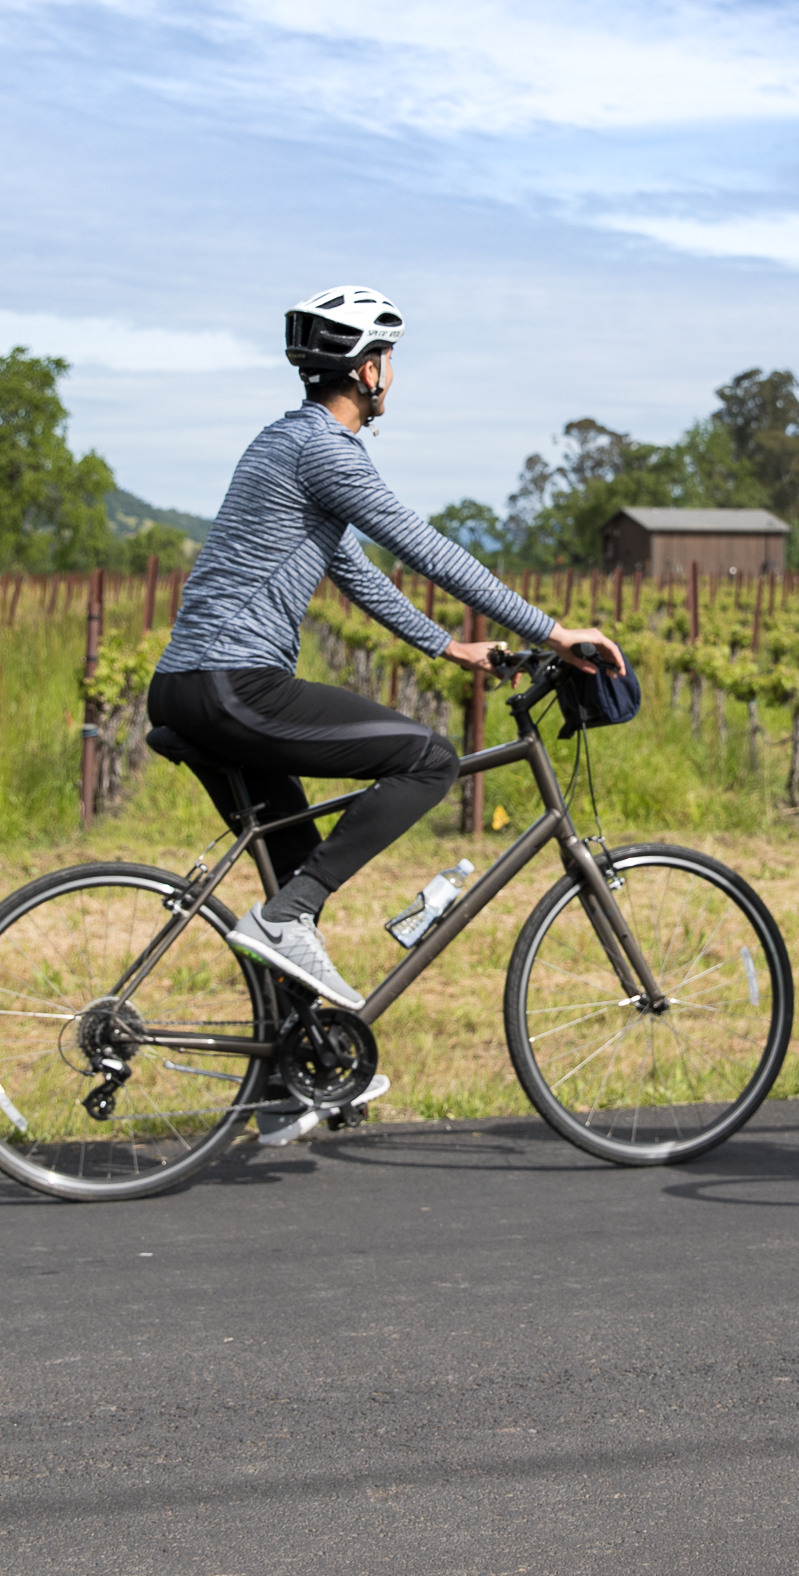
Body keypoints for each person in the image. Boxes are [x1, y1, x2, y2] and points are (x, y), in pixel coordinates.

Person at [147, 285, 624, 1140]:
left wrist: (451, 647)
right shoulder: (329, 451)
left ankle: (293, 1079)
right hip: (233, 682)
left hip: (194, 682)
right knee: (428, 759)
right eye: (389, 361)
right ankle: (284, 924)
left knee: (298, 874)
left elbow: (359, 571)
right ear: (367, 370)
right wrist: (554, 633)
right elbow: (423, 546)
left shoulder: (285, 442)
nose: (392, 376)